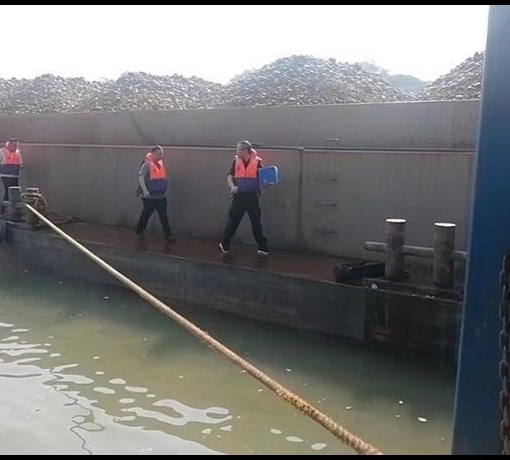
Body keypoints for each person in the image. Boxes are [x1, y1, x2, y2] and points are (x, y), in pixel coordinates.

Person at [219, 139, 269, 255]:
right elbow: (230, 176)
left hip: (252, 197)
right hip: (239, 196)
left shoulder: (257, 162)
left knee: (256, 223)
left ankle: (262, 247)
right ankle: (225, 244)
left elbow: (263, 180)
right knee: (233, 222)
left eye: (239, 150)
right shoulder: (236, 161)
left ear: (246, 150)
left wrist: (266, 183)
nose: (237, 152)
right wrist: (232, 187)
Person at [135, 145, 175, 241]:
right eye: (158, 154)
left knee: (163, 216)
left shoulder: (160, 164)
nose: (160, 156)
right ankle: (139, 232)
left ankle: (168, 235)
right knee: (146, 215)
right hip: (149, 197)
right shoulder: (147, 164)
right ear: (152, 154)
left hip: (160, 196)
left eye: (161, 154)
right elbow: (141, 177)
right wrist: (145, 191)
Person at [0, 138, 23, 204]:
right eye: (14, 145)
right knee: (8, 190)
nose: (15, 147)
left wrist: (20, 166)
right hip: (5, 175)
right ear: (8, 145)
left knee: (15, 190)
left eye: (16, 146)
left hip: (15, 175)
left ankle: (14, 205)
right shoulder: (2, 152)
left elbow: (20, 163)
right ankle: (5, 206)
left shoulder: (17, 152)